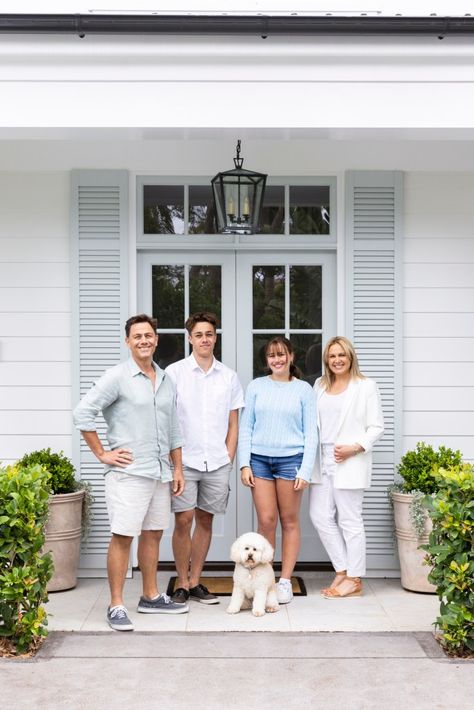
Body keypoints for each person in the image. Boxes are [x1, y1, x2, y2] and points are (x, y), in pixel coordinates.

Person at [73, 314, 189, 632]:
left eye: (148, 335)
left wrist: (177, 468)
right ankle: (116, 604)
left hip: (159, 472)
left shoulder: (166, 380)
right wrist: (102, 453)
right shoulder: (117, 377)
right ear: (127, 342)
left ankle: (151, 596)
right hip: (129, 473)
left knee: (153, 533)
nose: (143, 341)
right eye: (137, 336)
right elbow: (83, 412)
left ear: (156, 339)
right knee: (123, 535)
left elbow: (173, 429)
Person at [165, 312, 244, 605]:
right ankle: (181, 583)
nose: (204, 339)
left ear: (215, 337)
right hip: (185, 461)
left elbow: (234, 422)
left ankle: (196, 580)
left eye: (209, 334)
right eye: (198, 335)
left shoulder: (229, 376)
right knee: (183, 520)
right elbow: (168, 419)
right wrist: (175, 463)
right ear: (190, 338)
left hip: (217, 461)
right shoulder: (174, 373)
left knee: (206, 521)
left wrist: (229, 456)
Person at [238, 336, 318, 605]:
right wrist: (244, 463)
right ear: (267, 360)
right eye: (272, 355)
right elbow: (246, 428)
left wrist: (305, 469)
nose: (277, 359)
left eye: (281, 354)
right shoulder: (256, 386)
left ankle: (284, 581)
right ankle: (265, 579)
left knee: (290, 520)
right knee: (267, 521)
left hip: (290, 460)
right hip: (259, 460)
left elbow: (311, 434)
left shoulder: (304, 390)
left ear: (291, 356)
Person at [309, 336, 384, 599]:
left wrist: (355, 447)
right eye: (332, 356)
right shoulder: (319, 385)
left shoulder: (365, 386)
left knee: (350, 520)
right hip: (322, 460)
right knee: (319, 516)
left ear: (350, 357)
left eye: (342, 355)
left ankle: (354, 578)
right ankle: (342, 569)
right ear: (326, 360)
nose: (337, 360)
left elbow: (377, 427)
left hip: (349, 460)